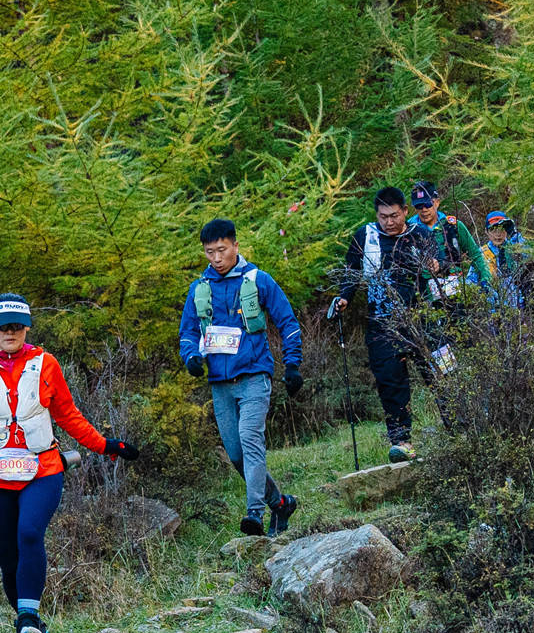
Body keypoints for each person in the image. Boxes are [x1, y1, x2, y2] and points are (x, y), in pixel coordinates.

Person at [0, 296, 138, 633]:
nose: (10, 332)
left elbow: (68, 415)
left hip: (44, 469)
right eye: (3, 326)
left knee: (30, 533)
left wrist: (105, 445)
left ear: (27, 328)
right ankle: (27, 623)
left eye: (17, 326)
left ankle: (30, 623)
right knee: (8, 556)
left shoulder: (45, 364)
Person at [179, 219, 305, 537]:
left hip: (254, 376)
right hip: (220, 384)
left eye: (222, 250)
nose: (217, 258)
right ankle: (280, 504)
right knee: (235, 454)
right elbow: (188, 333)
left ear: (236, 245)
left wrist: (292, 365)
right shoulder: (199, 289)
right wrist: (191, 357)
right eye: (210, 252)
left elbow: (287, 322)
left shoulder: (258, 280)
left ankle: (255, 513)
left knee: (251, 441)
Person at [336, 185, 441, 462]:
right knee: (391, 383)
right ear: (377, 214)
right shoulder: (365, 236)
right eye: (384, 216)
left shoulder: (420, 234)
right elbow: (350, 272)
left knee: (441, 373)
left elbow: (438, 261)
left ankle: (461, 427)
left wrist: (434, 265)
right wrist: (344, 298)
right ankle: (401, 441)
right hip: (382, 323)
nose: (389, 222)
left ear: (405, 212)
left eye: (394, 215)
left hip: (422, 318)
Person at [412, 182, 478, 303]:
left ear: (437, 202)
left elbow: (475, 254)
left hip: (455, 294)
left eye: (427, 204)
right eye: (419, 206)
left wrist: (485, 281)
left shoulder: (453, 225)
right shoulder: (410, 230)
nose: (424, 209)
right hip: (424, 299)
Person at [473, 211, 529, 309]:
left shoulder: (515, 247)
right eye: (493, 230)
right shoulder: (481, 254)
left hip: (517, 307)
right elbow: (471, 281)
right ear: (486, 231)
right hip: (491, 310)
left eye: (502, 229)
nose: (498, 234)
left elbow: (529, 255)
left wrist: (514, 234)